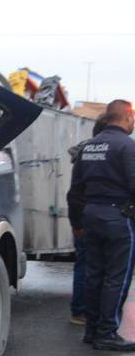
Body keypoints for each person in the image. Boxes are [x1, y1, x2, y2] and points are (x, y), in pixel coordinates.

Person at [67, 99, 135, 351]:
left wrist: (77, 222)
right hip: (118, 217)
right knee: (116, 277)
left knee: (94, 274)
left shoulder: (88, 147)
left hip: (90, 215)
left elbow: (75, 189)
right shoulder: (127, 146)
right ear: (127, 116)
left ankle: (92, 330)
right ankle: (107, 332)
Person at [68, 114, 111, 326]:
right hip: (93, 219)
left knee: (86, 265)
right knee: (91, 266)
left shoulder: (85, 152)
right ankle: (83, 311)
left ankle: (83, 311)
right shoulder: (106, 154)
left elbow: (74, 194)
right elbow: (76, 194)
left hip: (84, 218)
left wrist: (76, 223)